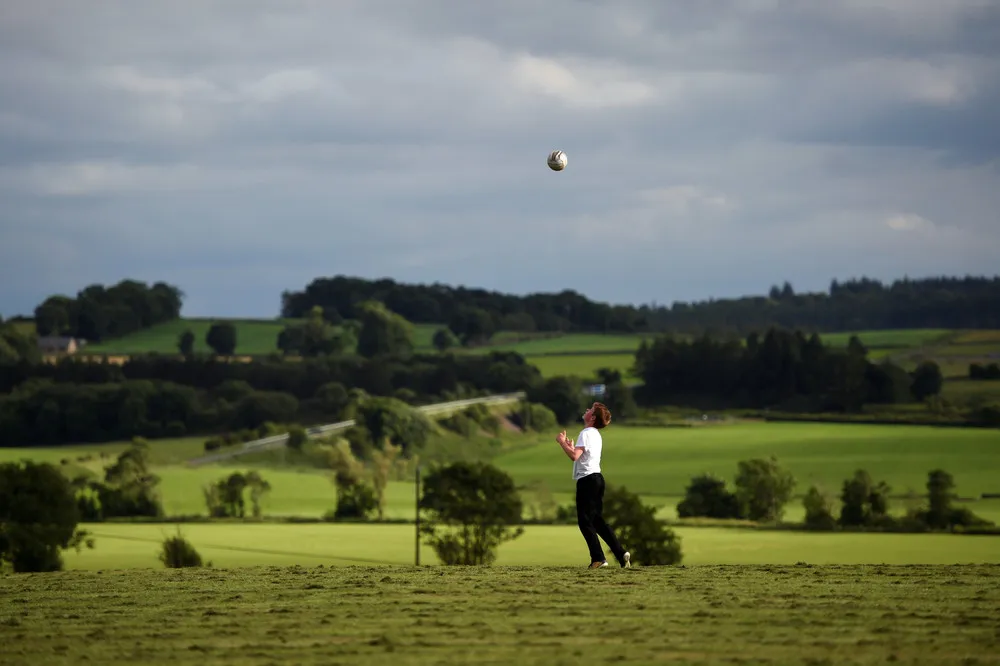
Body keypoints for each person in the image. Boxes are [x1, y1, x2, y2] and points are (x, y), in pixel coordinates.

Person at [555, 401, 631, 569]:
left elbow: (574, 457)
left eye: (590, 409)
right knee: (597, 520)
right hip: (597, 479)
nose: (587, 410)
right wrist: (571, 447)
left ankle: (598, 558)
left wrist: (561, 443)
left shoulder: (585, 433)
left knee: (585, 521)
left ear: (592, 417)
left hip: (587, 481)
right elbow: (582, 455)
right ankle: (621, 553)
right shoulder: (595, 434)